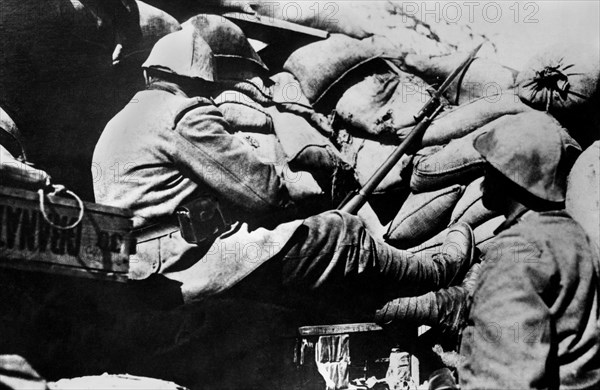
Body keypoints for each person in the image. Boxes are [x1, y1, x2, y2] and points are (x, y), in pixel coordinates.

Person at [92, 28, 475, 320]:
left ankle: (424, 308)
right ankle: (434, 271)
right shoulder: (183, 115)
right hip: (191, 267)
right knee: (337, 233)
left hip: (143, 276)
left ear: (149, 75)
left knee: (314, 275)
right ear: (199, 82)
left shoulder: (114, 126)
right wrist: (305, 191)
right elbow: (265, 194)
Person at [456, 112, 600, 389]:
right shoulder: (576, 238)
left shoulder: (518, 250)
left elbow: (501, 379)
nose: (482, 182)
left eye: (488, 170)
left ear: (507, 175)